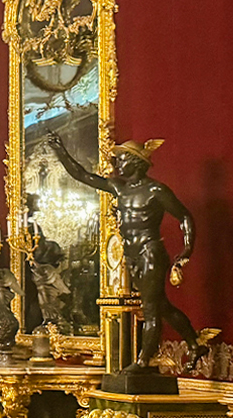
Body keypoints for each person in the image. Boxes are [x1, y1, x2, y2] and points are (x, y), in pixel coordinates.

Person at [47, 135, 206, 371]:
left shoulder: (156, 190)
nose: (117, 164)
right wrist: (61, 151)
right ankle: (194, 344)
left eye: (121, 159)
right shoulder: (118, 188)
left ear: (136, 162)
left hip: (150, 252)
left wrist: (187, 249)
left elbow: (184, 216)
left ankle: (142, 362)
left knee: (151, 309)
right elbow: (82, 175)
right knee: (161, 306)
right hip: (131, 255)